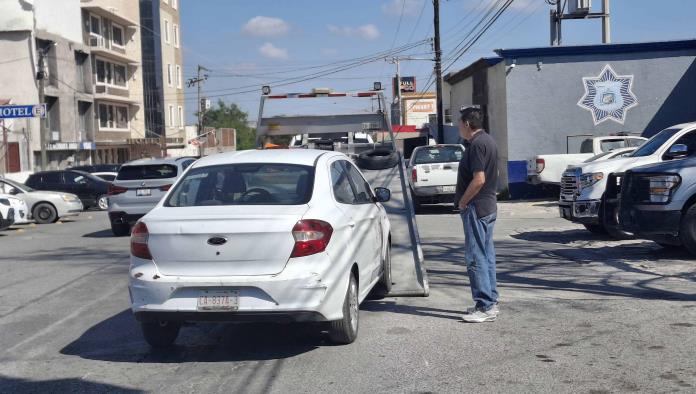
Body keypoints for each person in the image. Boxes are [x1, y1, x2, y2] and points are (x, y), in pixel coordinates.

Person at [454, 106, 500, 323]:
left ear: (467, 124)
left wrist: (463, 201)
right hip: (488, 206)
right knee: (486, 254)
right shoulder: (488, 141)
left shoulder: (477, 145)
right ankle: (490, 302)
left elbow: (479, 179)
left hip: (476, 207)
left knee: (475, 257)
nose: (457, 127)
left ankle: (484, 305)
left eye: (459, 124)